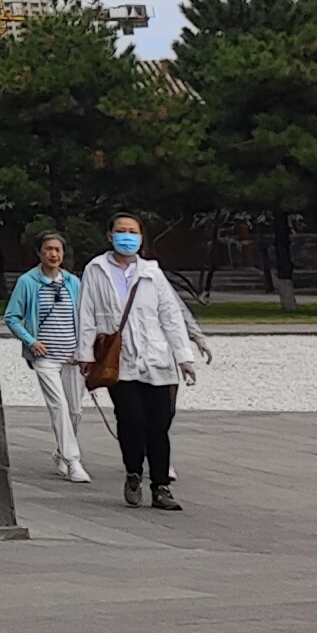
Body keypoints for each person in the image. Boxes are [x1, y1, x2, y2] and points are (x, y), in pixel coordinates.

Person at [76, 218, 208, 509]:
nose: (127, 237)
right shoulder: (96, 270)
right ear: (109, 235)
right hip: (119, 360)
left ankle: (160, 485)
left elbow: (170, 315)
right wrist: (85, 353)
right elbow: (85, 312)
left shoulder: (152, 272)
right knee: (132, 419)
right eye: (121, 232)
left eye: (132, 232)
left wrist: (184, 357)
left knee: (160, 424)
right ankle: (133, 471)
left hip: (157, 357)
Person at [2, 233, 91, 485]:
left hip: (72, 356)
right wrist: (31, 341)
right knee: (58, 406)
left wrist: (83, 350)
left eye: (58, 250)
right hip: (46, 357)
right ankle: (73, 460)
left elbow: (84, 317)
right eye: (48, 249)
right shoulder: (27, 282)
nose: (53, 254)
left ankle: (61, 452)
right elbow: (11, 316)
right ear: (40, 252)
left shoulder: (73, 282)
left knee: (75, 410)